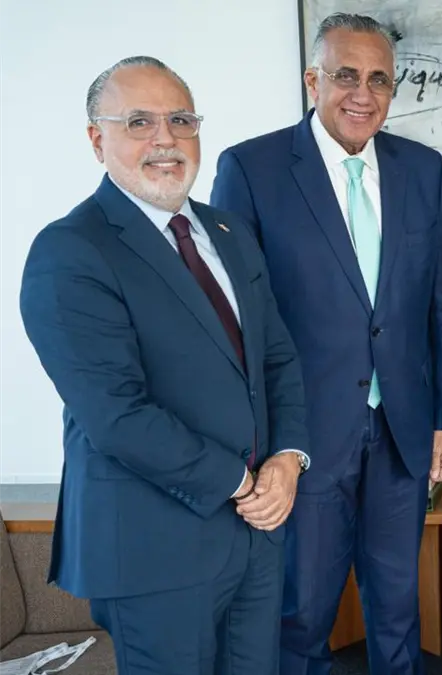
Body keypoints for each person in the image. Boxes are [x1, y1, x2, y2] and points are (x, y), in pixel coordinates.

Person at [18, 56, 310, 675]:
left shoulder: (226, 231)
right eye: (139, 122)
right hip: (153, 546)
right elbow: (117, 417)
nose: (166, 139)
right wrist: (240, 482)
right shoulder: (70, 251)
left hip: (255, 536)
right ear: (97, 139)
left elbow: (277, 358)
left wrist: (288, 459)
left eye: (181, 119)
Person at [209, 13, 442, 675]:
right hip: (303, 435)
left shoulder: (425, 170)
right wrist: (257, 439)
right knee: (301, 611)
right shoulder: (252, 168)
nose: (363, 93)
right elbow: (238, 319)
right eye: (346, 75)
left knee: (398, 610)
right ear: (312, 80)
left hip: (402, 431)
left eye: (379, 79)